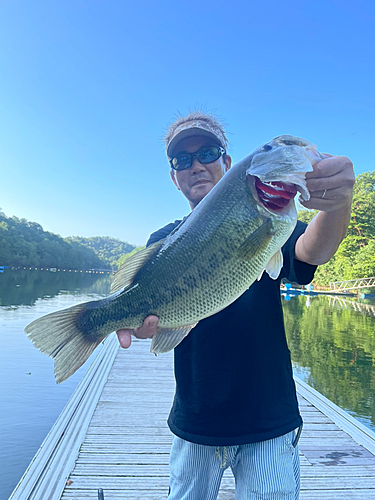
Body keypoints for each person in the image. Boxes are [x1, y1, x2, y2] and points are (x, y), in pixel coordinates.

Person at [116, 110, 355, 500]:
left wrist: (337, 203)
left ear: (228, 164)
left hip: (269, 419)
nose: (196, 165)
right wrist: (146, 327)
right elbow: (156, 322)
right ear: (174, 177)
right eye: (182, 160)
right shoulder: (161, 240)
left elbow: (315, 250)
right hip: (195, 421)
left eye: (207, 152)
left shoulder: (268, 218)